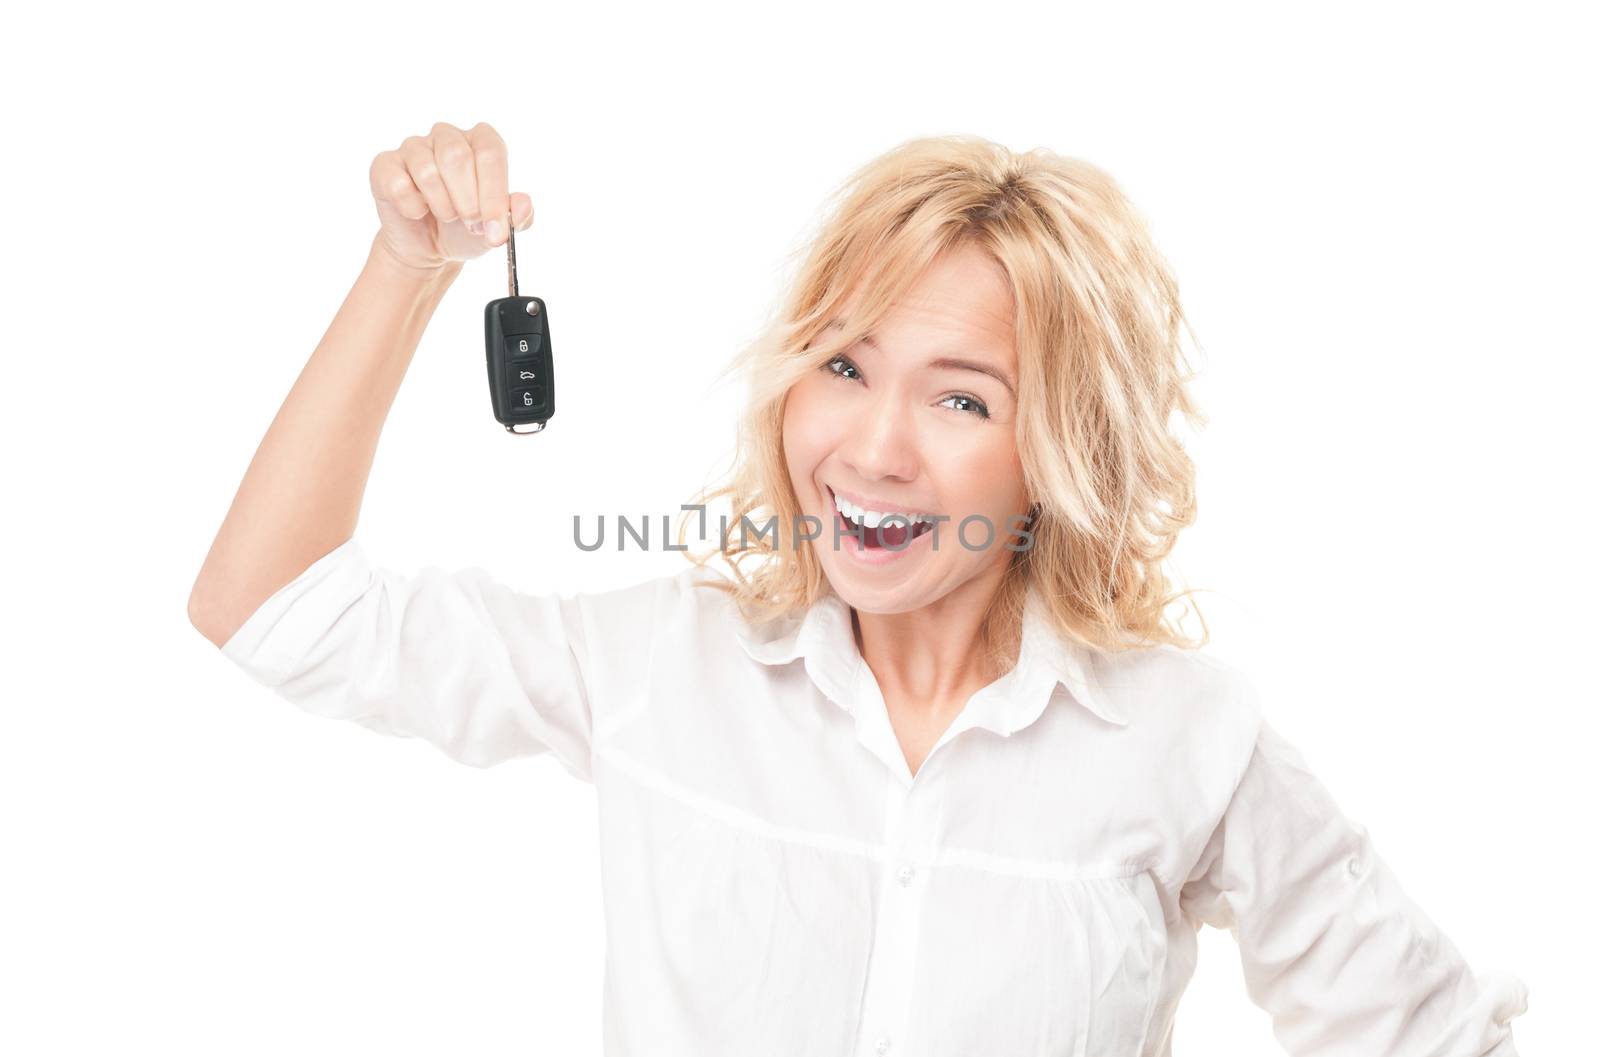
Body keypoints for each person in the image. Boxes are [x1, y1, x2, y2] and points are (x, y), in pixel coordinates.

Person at [187, 121, 1529, 1055]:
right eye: (842, 365)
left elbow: (1430, 1037)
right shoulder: (661, 662)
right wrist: (407, 267)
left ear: (1058, 448)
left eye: (961, 396)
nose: (872, 448)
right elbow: (272, 607)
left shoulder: (1186, 736)